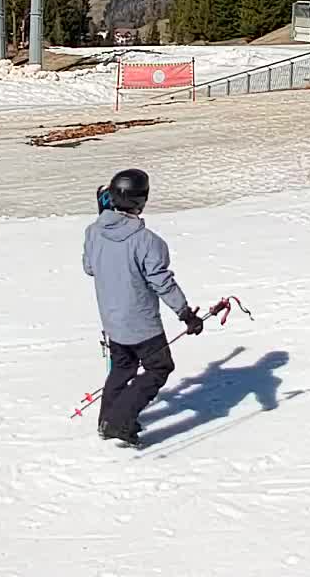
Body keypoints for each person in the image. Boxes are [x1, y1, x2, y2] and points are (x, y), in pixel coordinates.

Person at [82, 168, 203, 447]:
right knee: (159, 367)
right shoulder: (148, 242)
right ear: (141, 200)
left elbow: (90, 268)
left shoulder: (92, 232)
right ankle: (118, 421)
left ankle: (107, 420)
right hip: (142, 324)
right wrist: (186, 314)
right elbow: (162, 283)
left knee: (123, 368)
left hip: (112, 320)